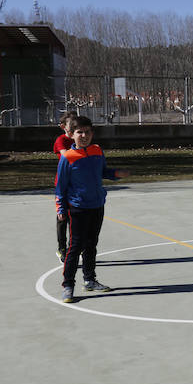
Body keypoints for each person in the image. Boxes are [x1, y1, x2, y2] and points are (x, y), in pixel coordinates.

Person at [55, 116, 130, 303]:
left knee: (91, 245)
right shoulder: (67, 157)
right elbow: (61, 186)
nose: (84, 135)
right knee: (75, 247)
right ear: (71, 134)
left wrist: (115, 174)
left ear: (92, 134)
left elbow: (103, 171)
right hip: (78, 208)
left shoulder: (97, 151)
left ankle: (89, 280)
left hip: (97, 206)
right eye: (80, 132)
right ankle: (68, 285)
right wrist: (61, 207)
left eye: (88, 132)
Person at [53, 111, 78, 262]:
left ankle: (73, 247)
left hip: (78, 185)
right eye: (71, 126)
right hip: (63, 185)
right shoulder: (61, 140)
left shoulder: (80, 138)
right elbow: (66, 156)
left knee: (76, 218)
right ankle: (62, 248)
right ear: (63, 126)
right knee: (63, 218)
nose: (75, 128)